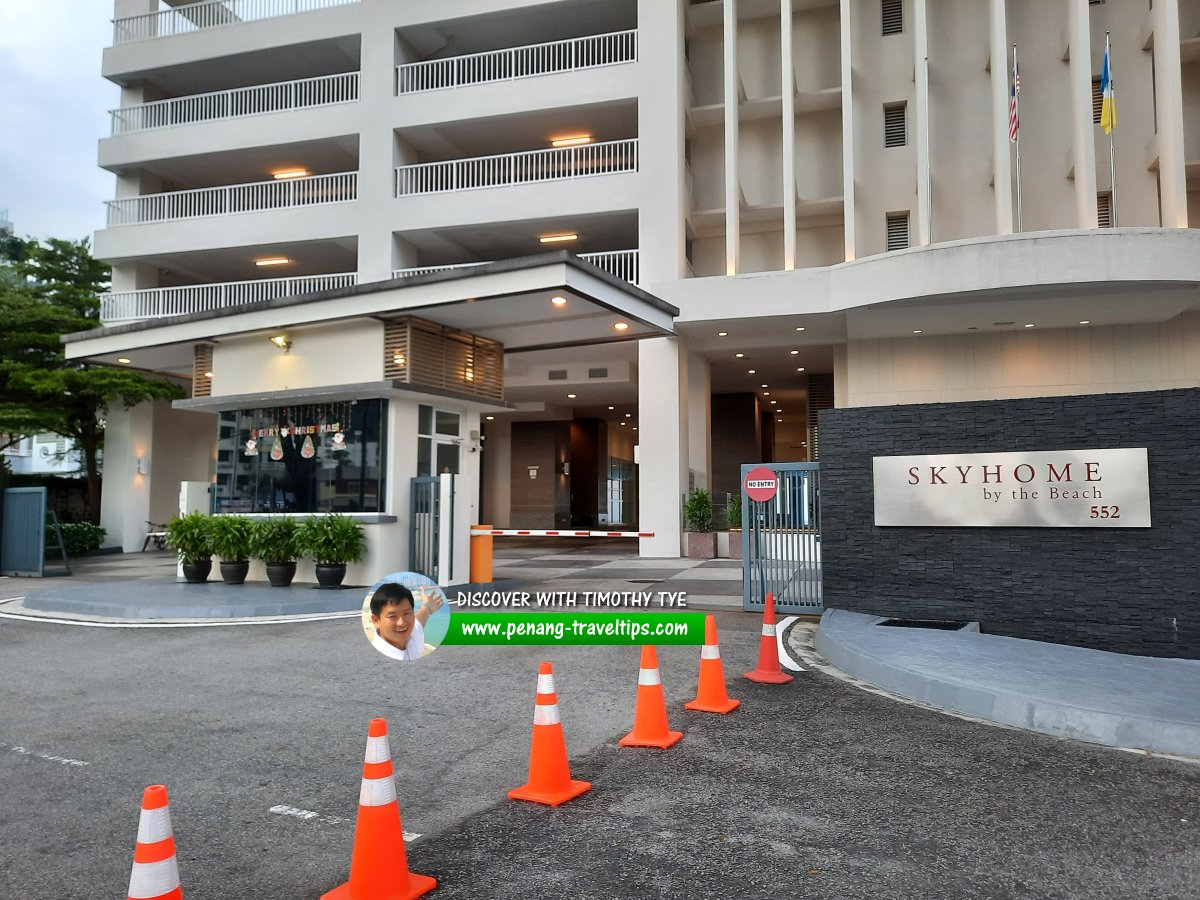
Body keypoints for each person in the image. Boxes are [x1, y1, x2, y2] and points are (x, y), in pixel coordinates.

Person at [368, 582, 444, 660]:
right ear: (376, 621)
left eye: (406, 613)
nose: (402, 623)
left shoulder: (411, 635)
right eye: (392, 616)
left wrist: (427, 607)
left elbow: (419, 620)